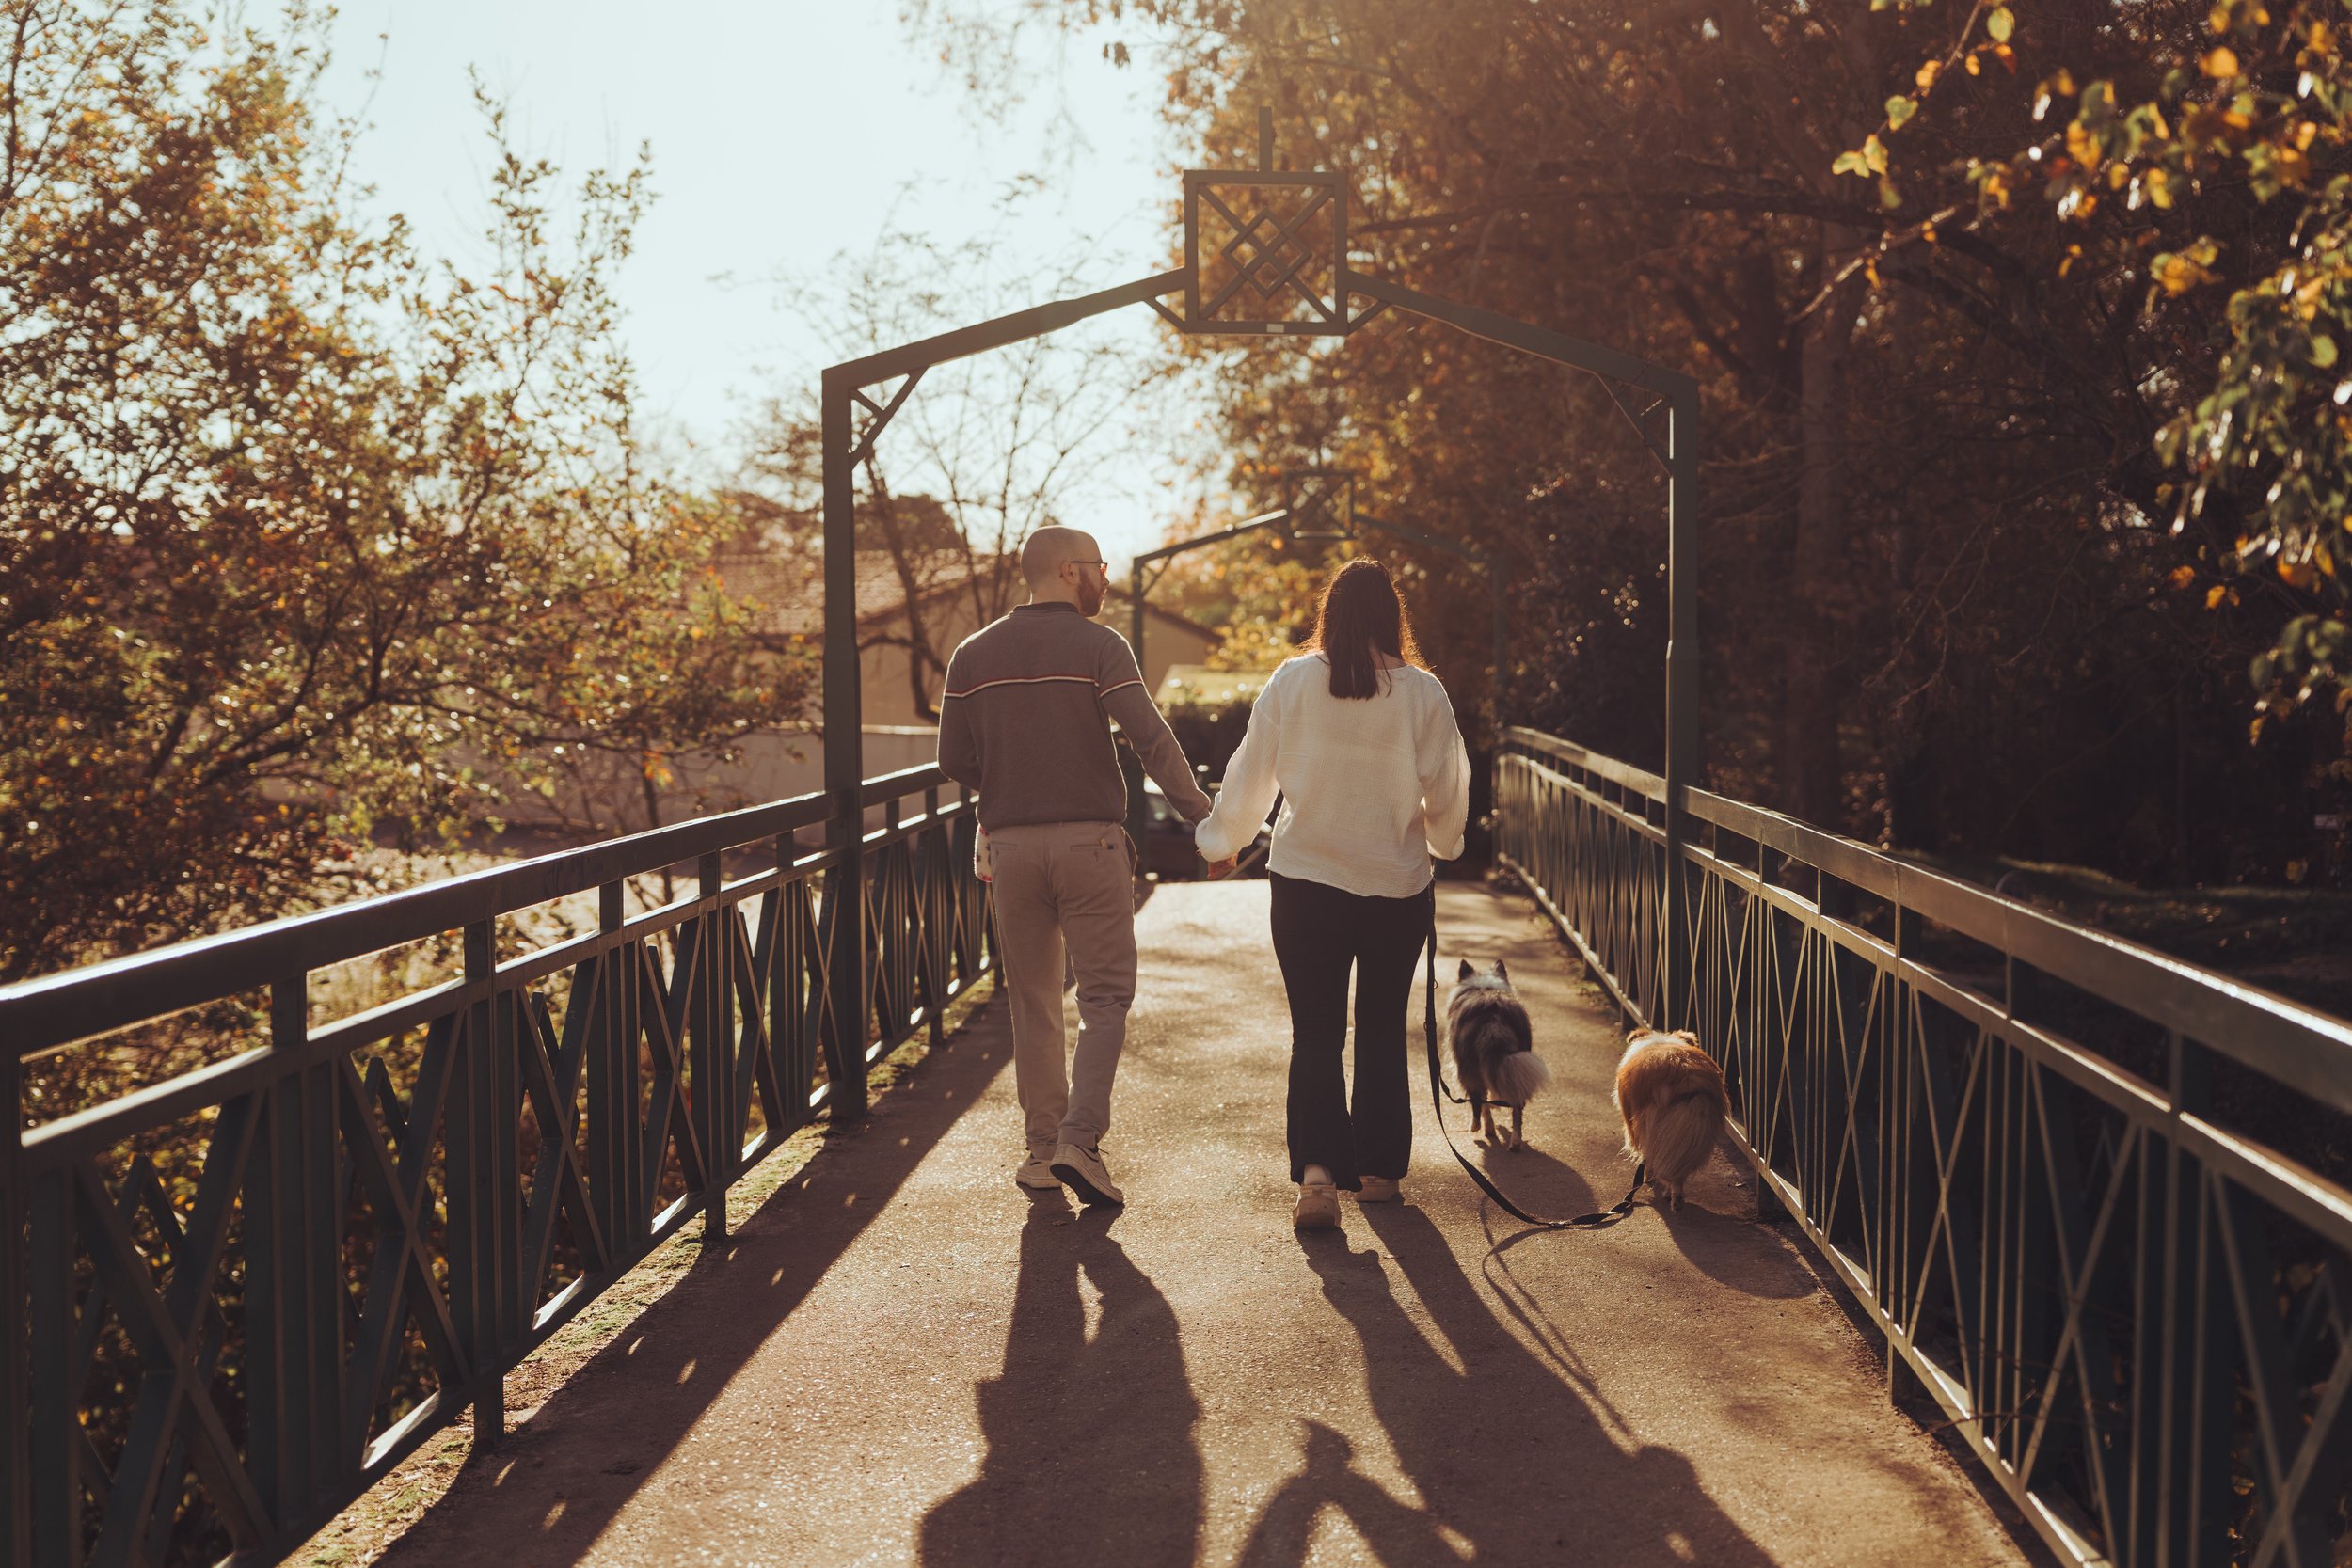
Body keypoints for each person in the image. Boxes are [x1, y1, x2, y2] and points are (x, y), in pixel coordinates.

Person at [937, 525, 1215, 1207]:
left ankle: (1040, 1153)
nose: (1105, 578)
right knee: (1104, 996)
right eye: (1098, 566)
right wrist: (1203, 817)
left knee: (1034, 1002)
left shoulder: (971, 654)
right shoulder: (1100, 646)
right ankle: (1080, 1140)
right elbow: (1150, 738)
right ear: (1068, 571)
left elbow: (954, 761)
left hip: (1010, 848)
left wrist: (1007, 785)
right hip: (1091, 846)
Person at [1192, 559, 1470, 1228]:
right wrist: (1441, 841)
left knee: (1315, 1031)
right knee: (1378, 1027)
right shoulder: (1424, 693)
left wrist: (1220, 840)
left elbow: (1250, 774)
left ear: (1330, 615)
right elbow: (1451, 796)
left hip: (1306, 885)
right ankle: (1377, 1173)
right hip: (1396, 888)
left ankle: (1316, 1179)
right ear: (1390, 616)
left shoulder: (1291, 682)